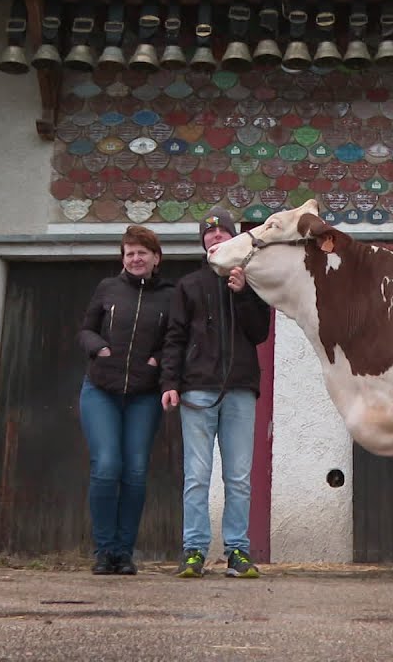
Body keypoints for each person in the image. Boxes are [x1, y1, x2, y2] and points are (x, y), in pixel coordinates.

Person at [161, 207, 272, 579]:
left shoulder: (251, 282)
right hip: (197, 390)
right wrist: (170, 383)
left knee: (238, 477)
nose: (215, 238)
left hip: (240, 389)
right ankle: (193, 551)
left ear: (232, 237)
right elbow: (174, 337)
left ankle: (237, 552)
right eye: (208, 234)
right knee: (197, 475)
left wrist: (241, 294)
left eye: (221, 232)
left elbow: (260, 334)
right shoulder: (189, 285)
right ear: (203, 242)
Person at [77, 225, 174, 575]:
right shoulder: (108, 288)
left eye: (142, 253)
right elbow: (86, 328)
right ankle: (104, 551)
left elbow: (175, 339)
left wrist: (158, 359)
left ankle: (124, 552)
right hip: (101, 390)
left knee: (134, 471)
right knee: (106, 466)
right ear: (123, 258)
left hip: (143, 396)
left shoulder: (170, 295)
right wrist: (98, 347)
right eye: (129, 253)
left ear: (156, 258)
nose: (135, 258)